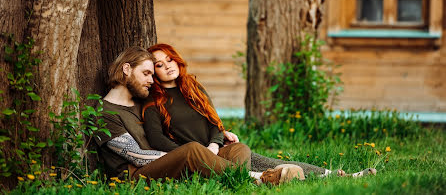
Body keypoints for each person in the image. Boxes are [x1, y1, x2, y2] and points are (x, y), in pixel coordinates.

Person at [143, 43, 377, 179]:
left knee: (257, 157)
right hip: (195, 159)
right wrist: (198, 153)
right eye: (159, 65)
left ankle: (338, 176)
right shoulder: (153, 102)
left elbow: (214, 121)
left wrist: (214, 145)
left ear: (177, 60)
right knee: (251, 165)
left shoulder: (192, 87)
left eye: (169, 59)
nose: (168, 66)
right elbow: (157, 140)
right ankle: (254, 180)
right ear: (154, 73)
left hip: (218, 150)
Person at [94, 46, 303, 185]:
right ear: (127, 69)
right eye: (146, 74)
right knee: (192, 150)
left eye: (152, 73)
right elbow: (136, 157)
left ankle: (240, 181)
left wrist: (211, 148)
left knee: (237, 149)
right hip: (134, 177)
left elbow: (177, 122)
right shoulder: (104, 112)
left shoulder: (140, 102)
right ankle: (260, 178)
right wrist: (189, 157)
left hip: (169, 163)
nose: (151, 80)